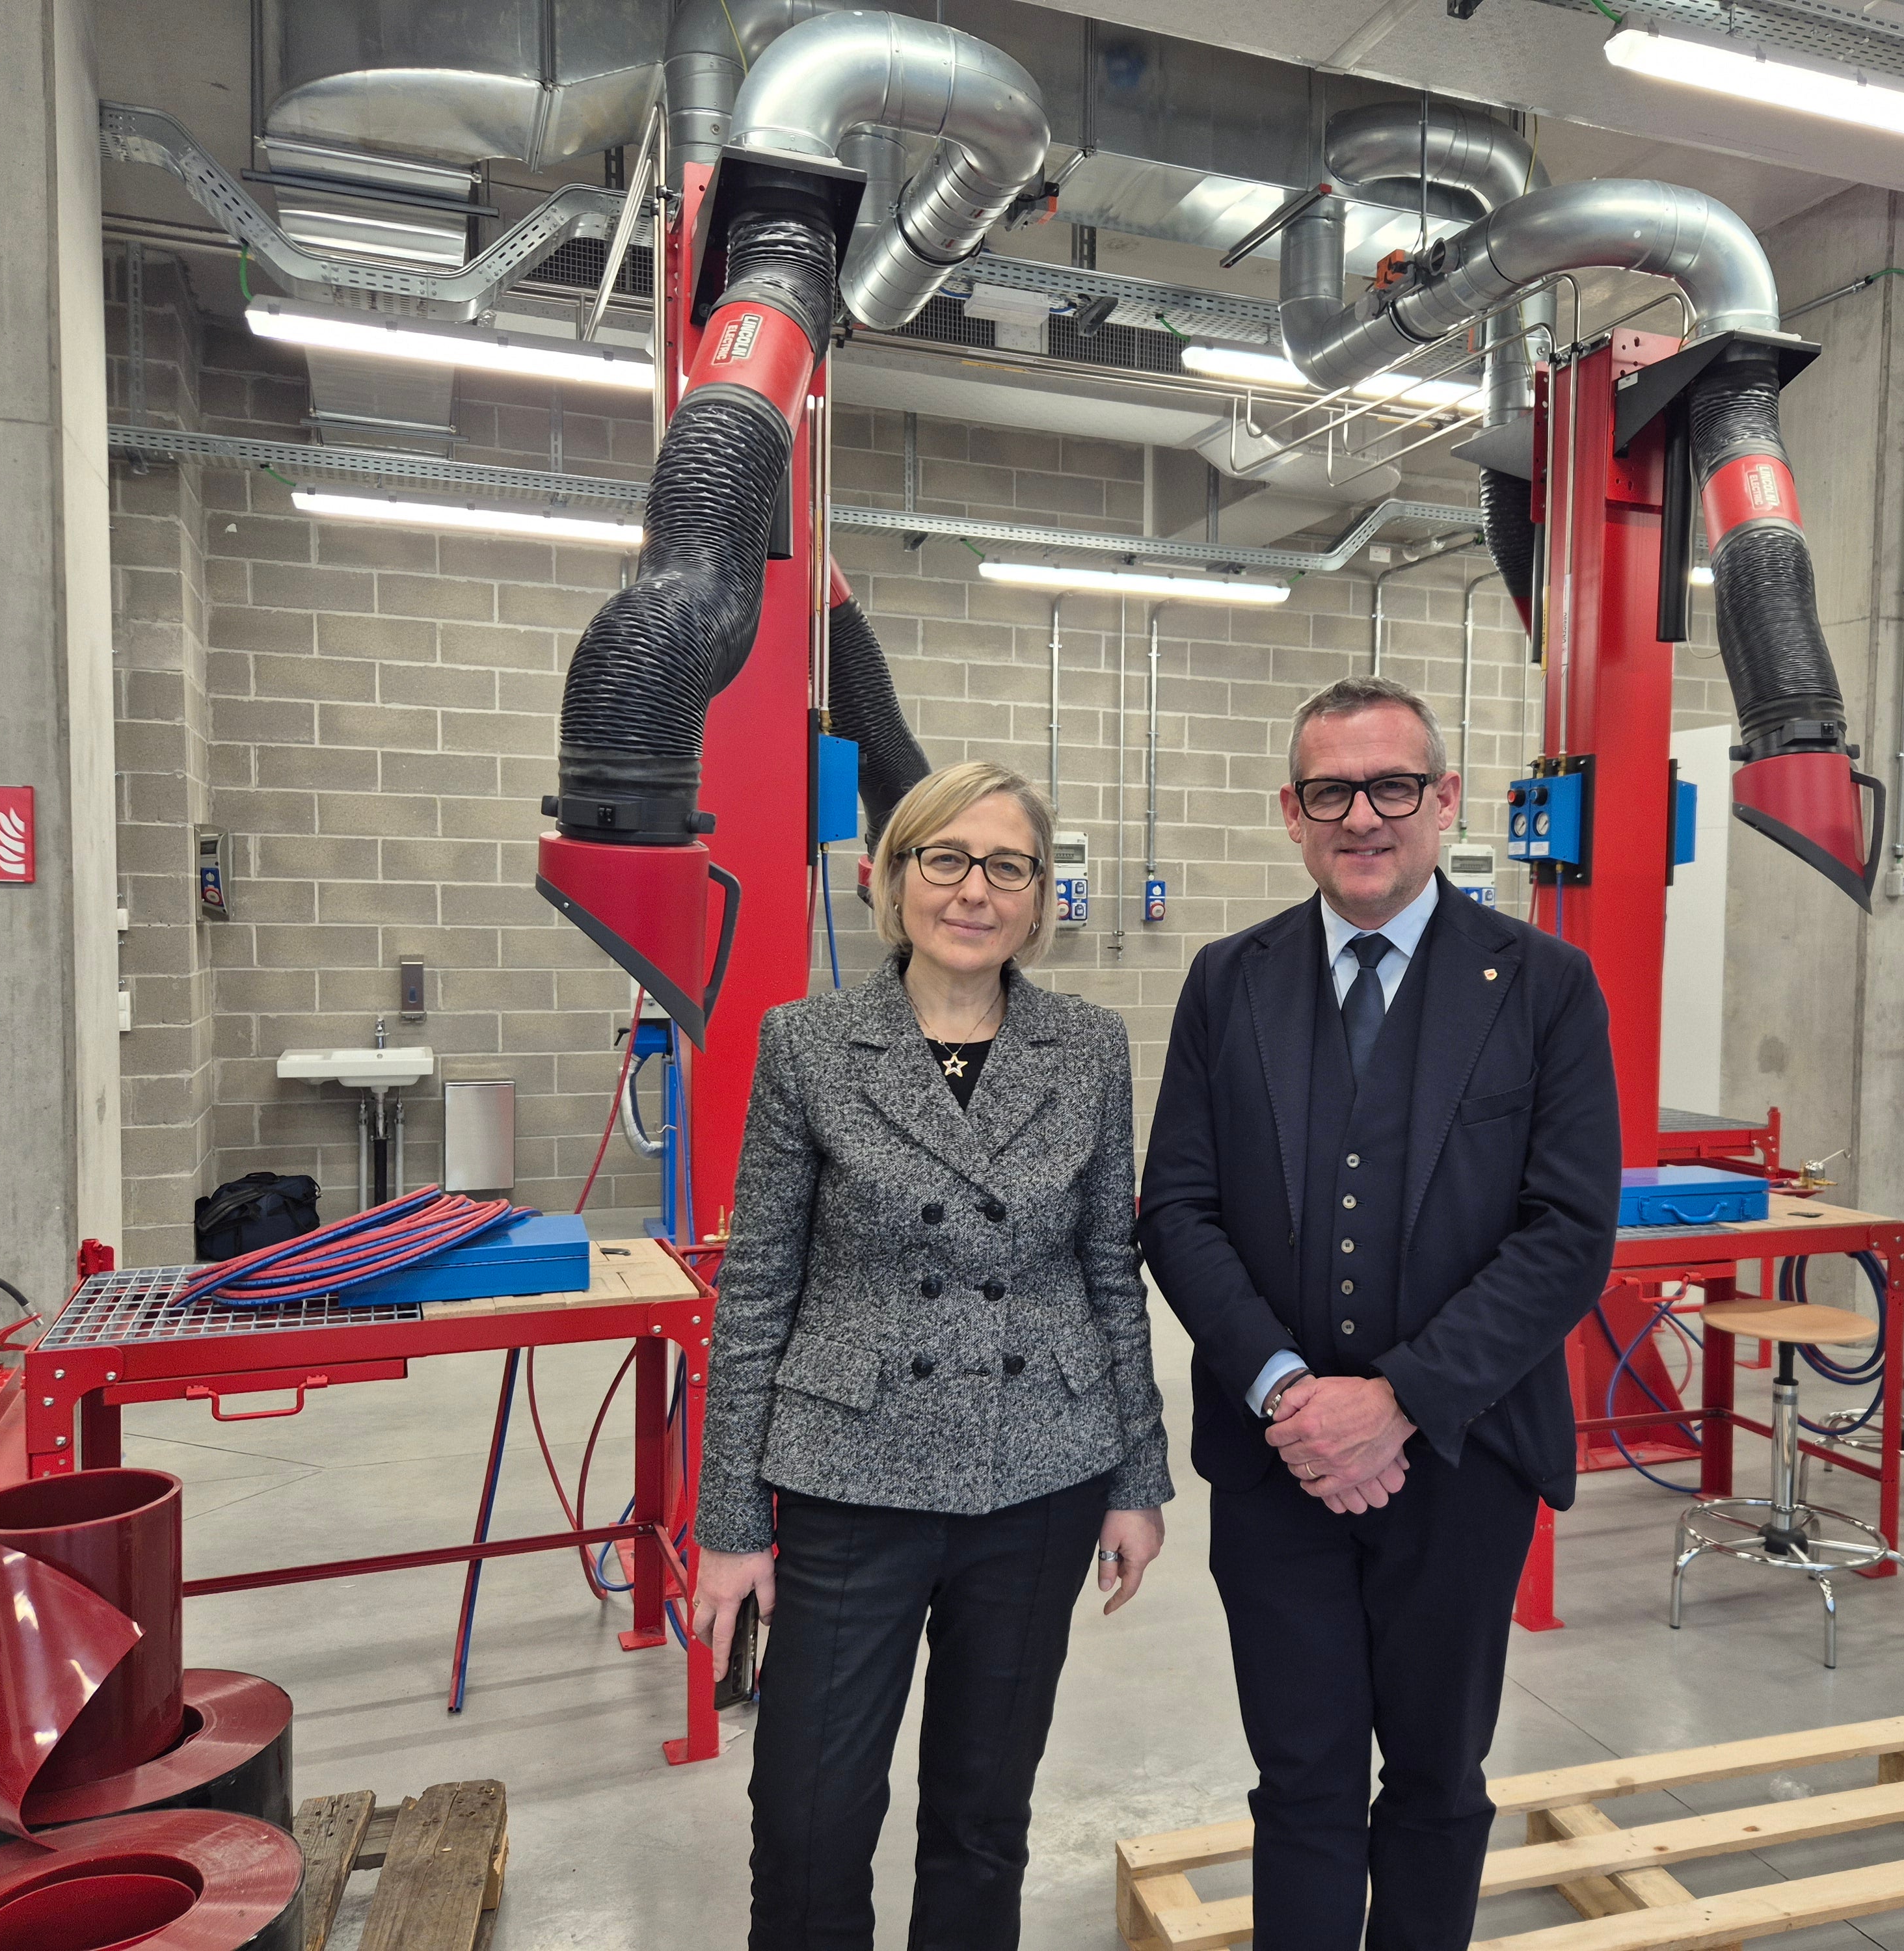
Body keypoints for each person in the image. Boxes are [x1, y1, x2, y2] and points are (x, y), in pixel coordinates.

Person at [1140, 675, 1622, 1951]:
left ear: (1444, 802)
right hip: (1271, 1464)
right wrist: (1288, 1395)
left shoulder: (1543, 988)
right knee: (1297, 1784)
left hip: (1464, 1465)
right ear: (1289, 815)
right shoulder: (1223, 983)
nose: (1363, 816)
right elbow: (1175, 1209)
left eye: (1392, 786)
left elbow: (1567, 1233)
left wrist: (1399, 1399)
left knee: (1433, 1781)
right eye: (1330, 792)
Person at [691, 758, 1173, 1951]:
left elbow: (1111, 1267)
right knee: (807, 1815)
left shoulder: (1090, 1044)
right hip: (850, 1474)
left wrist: (1138, 1477)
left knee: (981, 1815)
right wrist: (730, 1521)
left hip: (1042, 1477)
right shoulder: (807, 1043)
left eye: (1007, 865)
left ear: (1039, 895)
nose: (975, 890)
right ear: (891, 879)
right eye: (945, 859)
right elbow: (758, 1284)